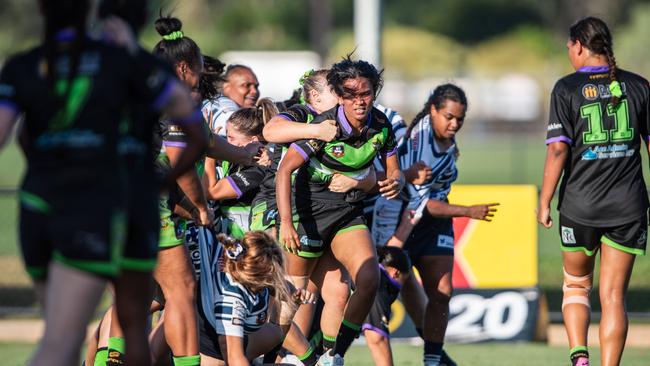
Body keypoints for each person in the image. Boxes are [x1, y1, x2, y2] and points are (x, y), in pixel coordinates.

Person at [0, 1, 207, 365]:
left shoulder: (23, 65)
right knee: (77, 337)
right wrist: (158, 183)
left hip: (40, 206)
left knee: (72, 328)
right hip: (104, 205)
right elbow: (195, 133)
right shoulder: (132, 64)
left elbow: (11, 136)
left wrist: (46, 165)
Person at [276, 56, 404, 364]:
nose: (359, 101)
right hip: (309, 214)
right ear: (340, 95)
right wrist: (286, 224)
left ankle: (334, 356)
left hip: (347, 211)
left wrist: (395, 182)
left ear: (375, 92)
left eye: (366, 93)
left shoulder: (381, 126)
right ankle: (282, 359)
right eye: (350, 94)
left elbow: (394, 171)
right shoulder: (325, 127)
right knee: (292, 301)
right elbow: (284, 171)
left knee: (369, 277)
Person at [538, 16, 650, 366]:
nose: (569, 54)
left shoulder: (567, 88)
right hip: (629, 208)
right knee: (614, 296)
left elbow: (557, 150)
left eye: (569, 48)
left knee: (575, 286)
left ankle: (579, 358)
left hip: (580, 206)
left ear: (580, 47)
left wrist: (544, 199)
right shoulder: (639, 86)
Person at [391, 84, 497, 366]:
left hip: (434, 224)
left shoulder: (447, 141)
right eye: (449, 117)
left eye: (459, 119)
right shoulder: (419, 141)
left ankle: (433, 359)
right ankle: (331, 347)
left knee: (442, 292)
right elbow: (421, 203)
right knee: (385, 290)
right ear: (433, 111)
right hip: (404, 221)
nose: (454, 124)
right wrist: (467, 210)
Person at [197, 230, 299, 365]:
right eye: (273, 275)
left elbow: (284, 288)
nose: (277, 279)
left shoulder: (241, 263)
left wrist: (296, 293)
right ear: (259, 278)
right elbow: (233, 357)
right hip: (216, 354)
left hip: (234, 340)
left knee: (276, 333)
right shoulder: (232, 299)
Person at [363, 246, 412, 366]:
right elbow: (377, 338)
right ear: (396, 273)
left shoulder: (371, 270)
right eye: (404, 281)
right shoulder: (380, 284)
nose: (402, 287)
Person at [202, 64, 260, 136]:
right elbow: (237, 125)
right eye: (246, 85)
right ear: (226, 86)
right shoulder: (219, 104)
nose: (254, 91)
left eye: (256, 86)